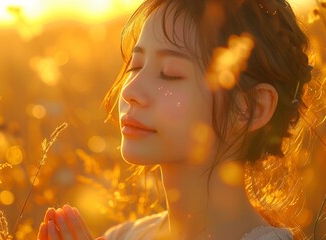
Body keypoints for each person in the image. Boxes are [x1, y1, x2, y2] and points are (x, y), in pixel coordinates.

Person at [38, 0, 318, 239]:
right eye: (135, 66)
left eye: (170, 73)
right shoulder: (125, 235)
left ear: (252, 107)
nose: (131, 91)